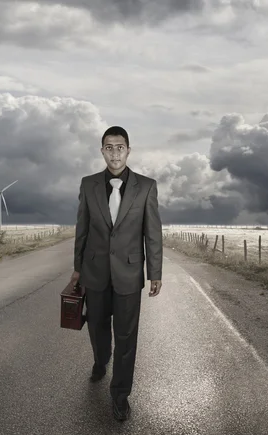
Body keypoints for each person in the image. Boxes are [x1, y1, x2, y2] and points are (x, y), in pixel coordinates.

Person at [69, 125, 163, 422]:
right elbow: (81, 230)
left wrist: (155, 272)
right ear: (102, 151)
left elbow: (153, 233)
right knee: (96, 327)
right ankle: (100, 360)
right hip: (94, 272)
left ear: (128, 150)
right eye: (109, 147)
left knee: (126, 337)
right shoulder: (88, 184)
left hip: (129, 274)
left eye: (119, 147)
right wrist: (76, 270)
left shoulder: (146, 186)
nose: (114, 152)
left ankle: (120, 394)